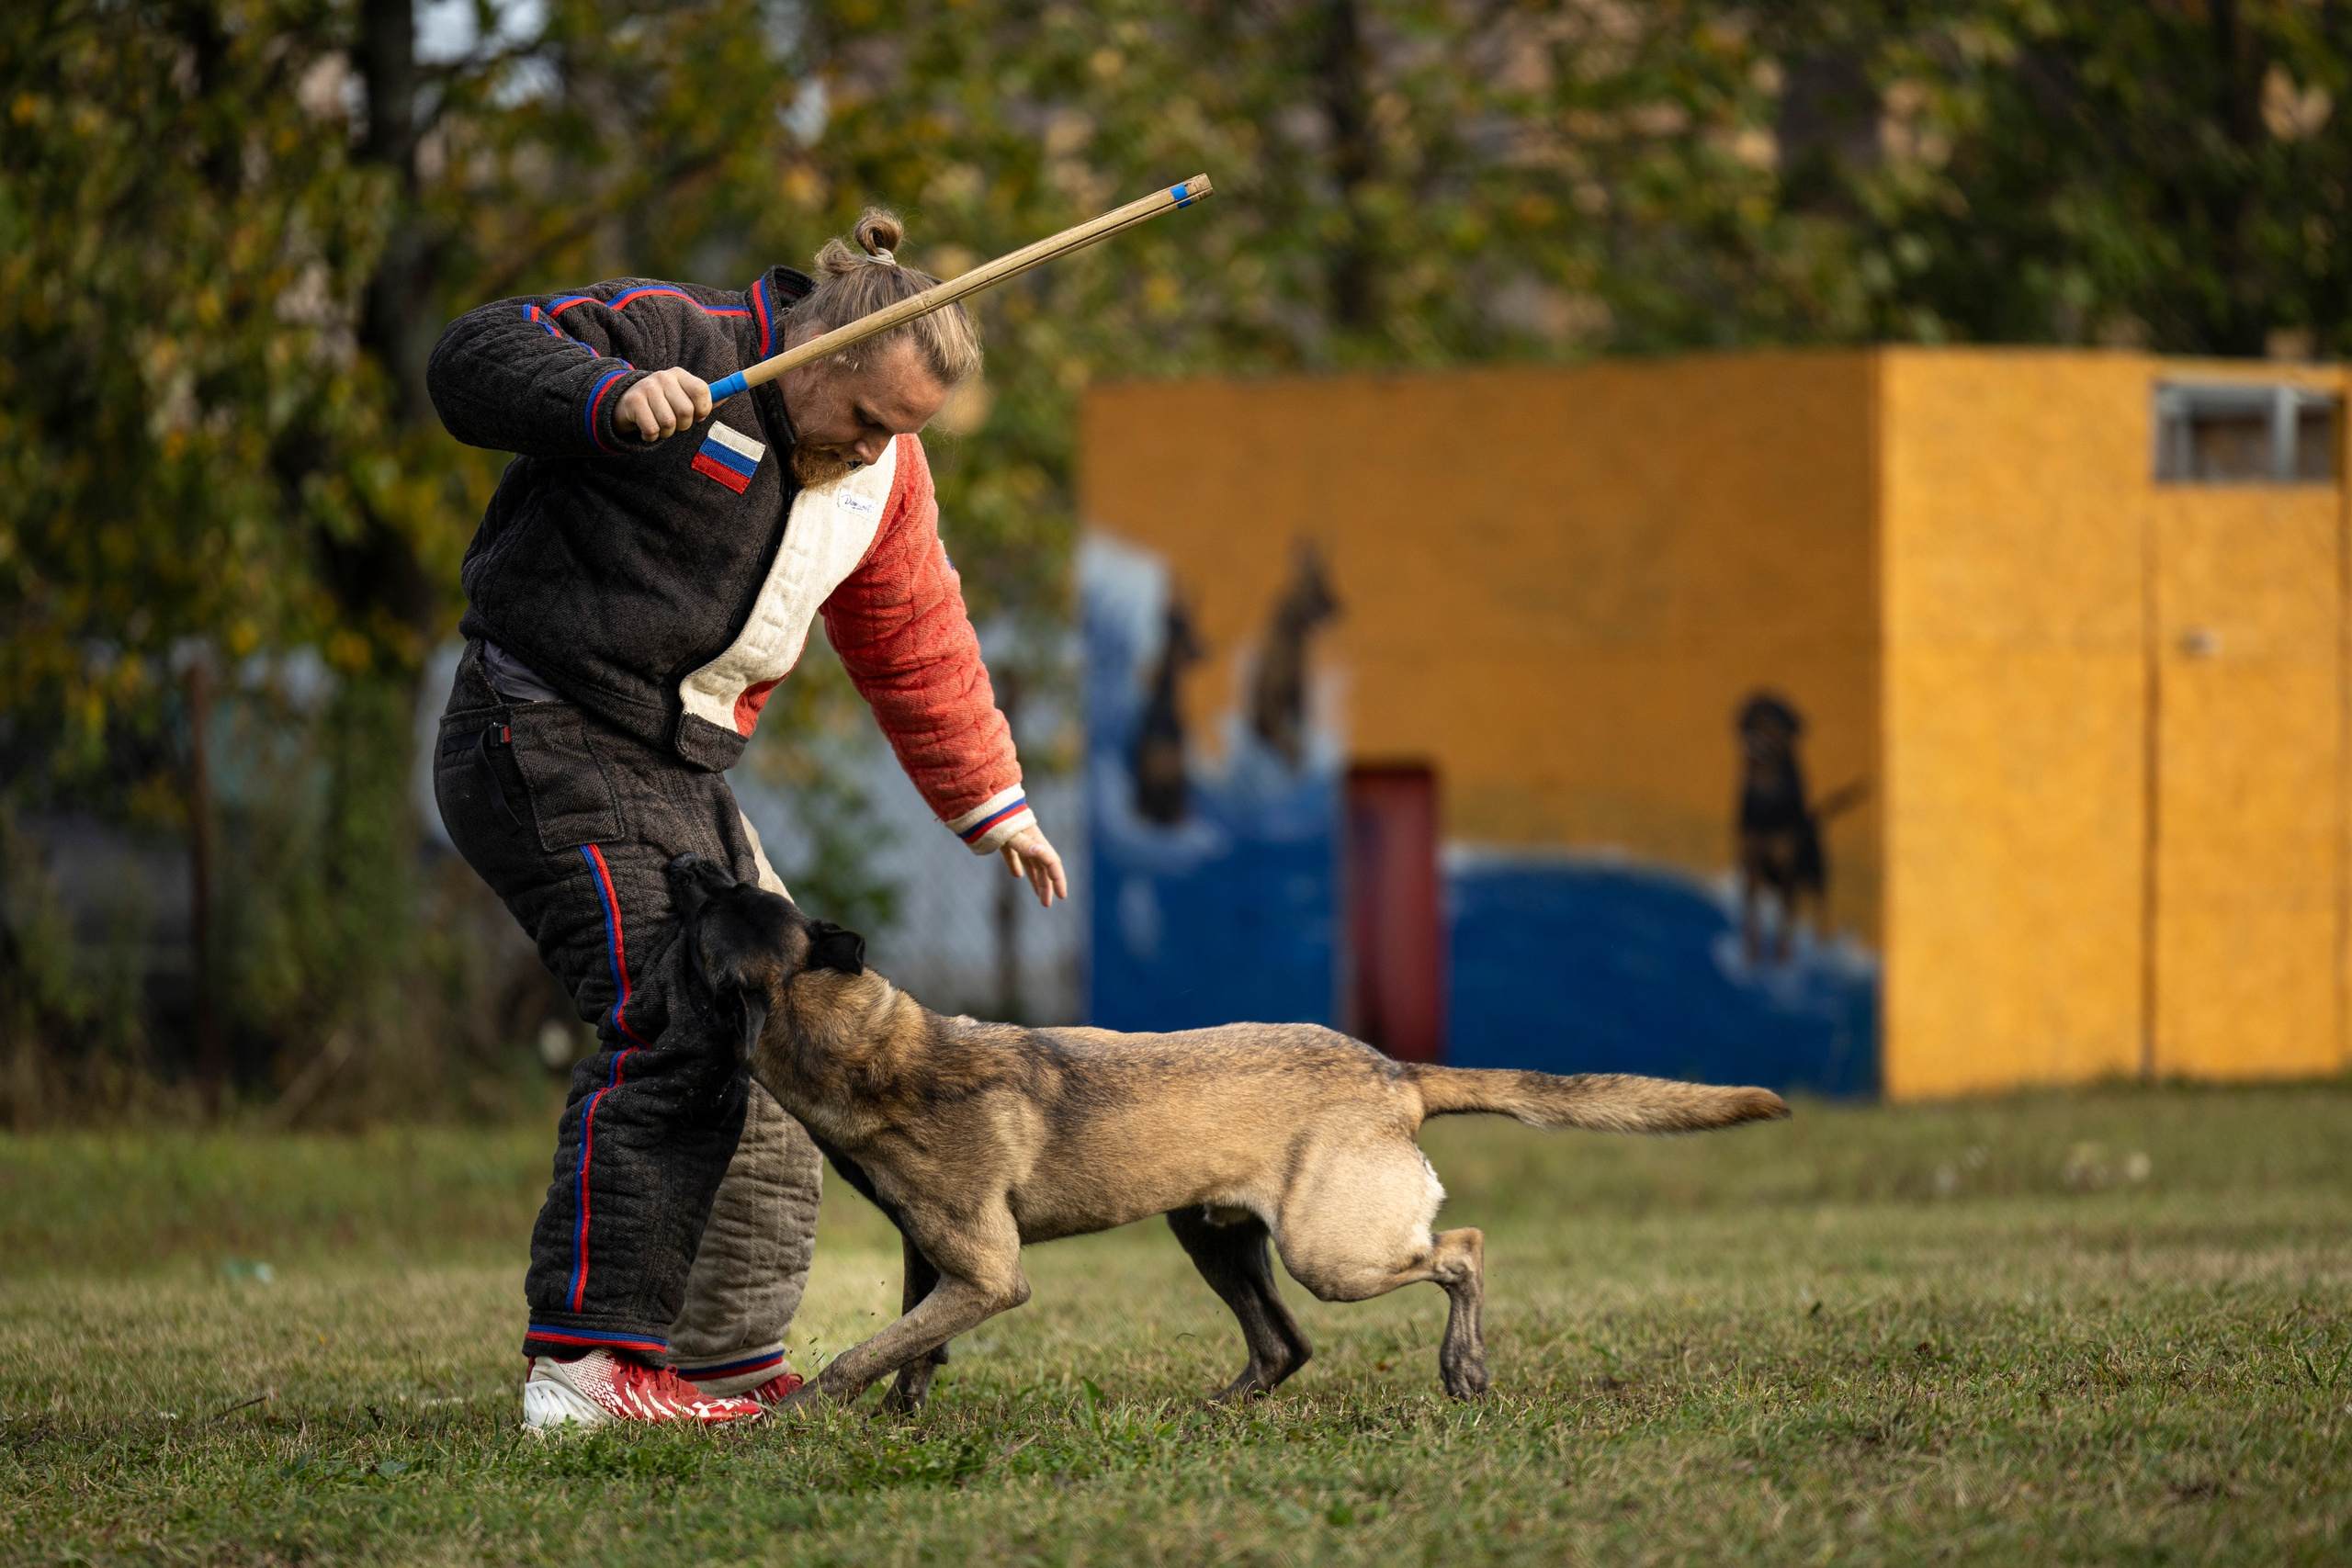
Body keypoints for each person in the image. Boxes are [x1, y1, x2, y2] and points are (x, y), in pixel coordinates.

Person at [424, 209, 1067, 1429]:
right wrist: (609, 397)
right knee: (678, 1016)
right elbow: (474, 356)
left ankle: (718, 1362)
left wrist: (998, 806)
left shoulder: (885, 473)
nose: (880, 450)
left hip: (677, 771)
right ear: (819, 354)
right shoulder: (682, 335)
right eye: (872, 420)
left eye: (907, 435)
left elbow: (916, 641)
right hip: (541, 725)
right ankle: (586, 1374)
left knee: (786, 1038)